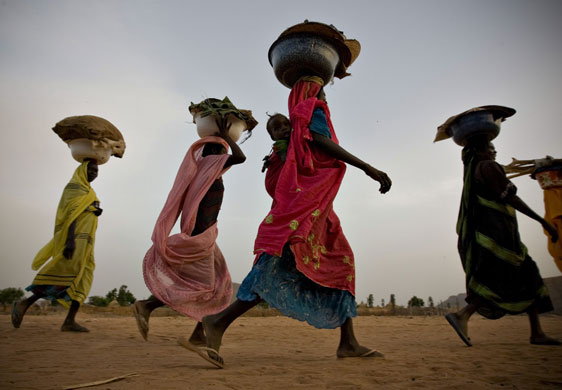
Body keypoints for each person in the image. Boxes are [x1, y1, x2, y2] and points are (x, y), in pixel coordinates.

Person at [191, 76, 392, 368]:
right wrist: (367, 167)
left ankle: (348, 342)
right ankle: (217, 322)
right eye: (320, 88)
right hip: (299, 216)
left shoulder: (296, 141)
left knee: (339, 263)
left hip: (316, 212)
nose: (324, 94)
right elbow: (318, 144)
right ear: (310, 91)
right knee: (274, 271)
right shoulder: (309, 116)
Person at [132, 116, 246, 351]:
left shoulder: (206, 175)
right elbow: (240, 157)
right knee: (204, 288)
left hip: (207, 236)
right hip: (201, 238)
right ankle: (147, 306)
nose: (223, 157)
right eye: (219, 151)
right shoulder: (207, 177)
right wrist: (225, 137)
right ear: (213, 156)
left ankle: (198, 333)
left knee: (220, 285)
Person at [445, 136, 560, 346]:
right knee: (510, 278)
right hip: (499, 239)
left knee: (522, 276)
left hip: (497, 238)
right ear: (481, 150)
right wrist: (543, 221)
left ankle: (537, 332)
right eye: (491, 148)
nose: (494, 152)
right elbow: (510, 197)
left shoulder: (473, 171)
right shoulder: (488, 166)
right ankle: (463, 315)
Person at [11, 159, 101, 332]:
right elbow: (70, 214)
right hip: (74, 241)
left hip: (87, 245)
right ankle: (24, 303)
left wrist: (94, 210)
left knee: (84, 277)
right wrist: (70, 240)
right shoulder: (73, 188)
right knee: (62, 273)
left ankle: (69, 321)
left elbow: (83, 211)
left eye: (96, 171)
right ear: (82, 169)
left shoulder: (90, 191)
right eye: (91, 169)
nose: (94, 173)